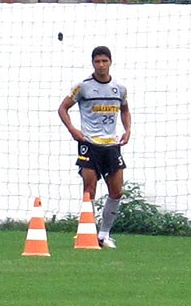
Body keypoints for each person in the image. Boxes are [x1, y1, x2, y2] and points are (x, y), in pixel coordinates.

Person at [58, 46, 131, 249]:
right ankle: (86, 232)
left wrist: (128, 130)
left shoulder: (119, 89)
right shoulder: (82, 87)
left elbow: (125, 110)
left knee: (116, 191)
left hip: (111, 145)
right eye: (97, 61)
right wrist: (73, 130)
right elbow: (62, 108)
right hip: (89, 144)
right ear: (92, 63)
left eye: (104, 61)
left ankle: (104, 234)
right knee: (89, 190)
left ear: (110, 62)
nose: (101, 65)